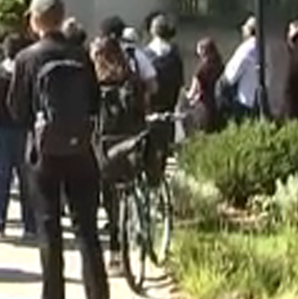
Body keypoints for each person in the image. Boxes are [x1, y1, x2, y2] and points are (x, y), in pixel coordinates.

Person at [9, 0, 112, 299]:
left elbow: (17, 109)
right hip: (81, 150)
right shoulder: (81, 54)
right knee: (86, 228)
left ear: (36, 20)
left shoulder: (28, 57)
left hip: (43, 154)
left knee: (49, 230)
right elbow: (96, 104)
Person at [91, 33, 147, 268]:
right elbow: (141, 110)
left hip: (104, 146)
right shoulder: (131, 78)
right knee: (132, 187)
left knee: (110, 200)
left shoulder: (93, 82)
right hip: (131, 143)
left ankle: (115, 251)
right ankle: (138, 229)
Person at [0, 33, 36, 239]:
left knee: (0, 176)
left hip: (0, 128)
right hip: (25, 129)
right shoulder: (29, 73)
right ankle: (30, 225)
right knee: (26, 179)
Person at [143, 14, 185, 176]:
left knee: (150, 146)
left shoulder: (146, 54)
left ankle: (152, 176)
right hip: (169, 106)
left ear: (153, 31)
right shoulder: (174, 55)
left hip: (151, 108)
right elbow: (180, 83)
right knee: (165, 145)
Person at [221, 16, 264, 119]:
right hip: (262, 102)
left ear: (250, 30)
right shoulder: (266, 45)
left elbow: (231, 76)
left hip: (246, 102)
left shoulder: (247, 48)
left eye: (244, 28)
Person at [185, 38, 226, 135]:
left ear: (203, 51)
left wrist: (185, 96)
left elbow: (192, 93)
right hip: (219, 105)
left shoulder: (200, 70)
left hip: (205, 107)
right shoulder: (221, 66)